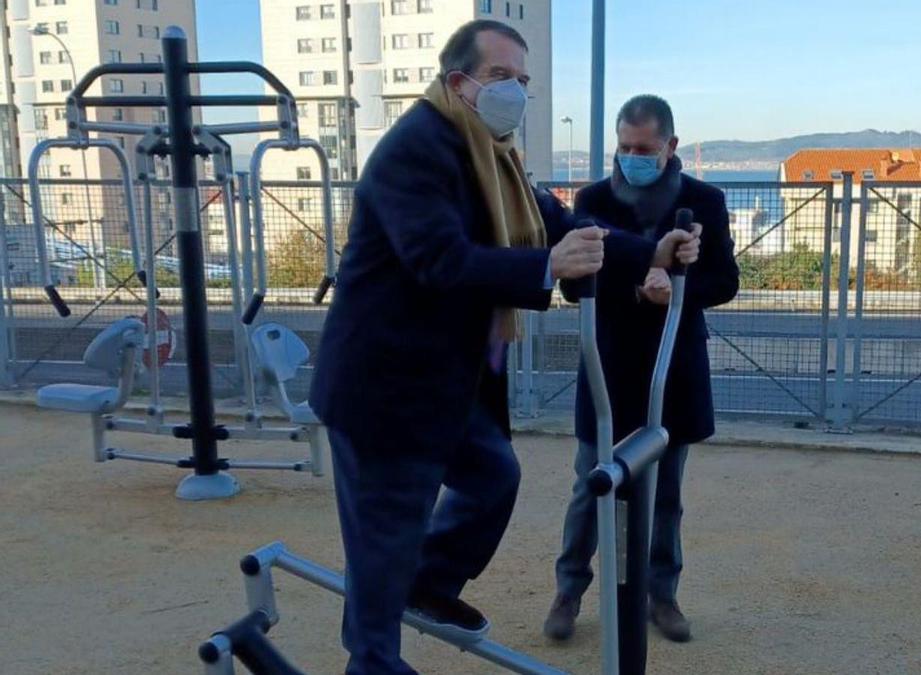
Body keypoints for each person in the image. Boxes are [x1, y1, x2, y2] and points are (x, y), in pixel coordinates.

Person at [308, 22, 701, 675]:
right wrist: (546, 266)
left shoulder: (492, 150)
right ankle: (374, 661)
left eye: (523, 81)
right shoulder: (416, 150)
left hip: (442, 380)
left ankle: (427, 581)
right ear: (459, 82)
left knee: (493, 476)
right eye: (501, 78)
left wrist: (647, 253)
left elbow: (564, 222)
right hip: (384, 387)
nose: (516, 92)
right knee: (386, 537)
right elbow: (439, 260)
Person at [543, 95, 740, 644]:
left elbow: (725, 281)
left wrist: (677, 289)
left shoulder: (705, 201)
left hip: (672, 365)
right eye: (624, 147)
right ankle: (568, 591)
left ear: (670, 147)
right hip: (608, 361)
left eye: (643, 149)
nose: (631, 156)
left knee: (665, 490)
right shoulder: (593, 199)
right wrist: (636, 283)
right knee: (590, 484)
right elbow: (571, 280)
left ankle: (663, 595)